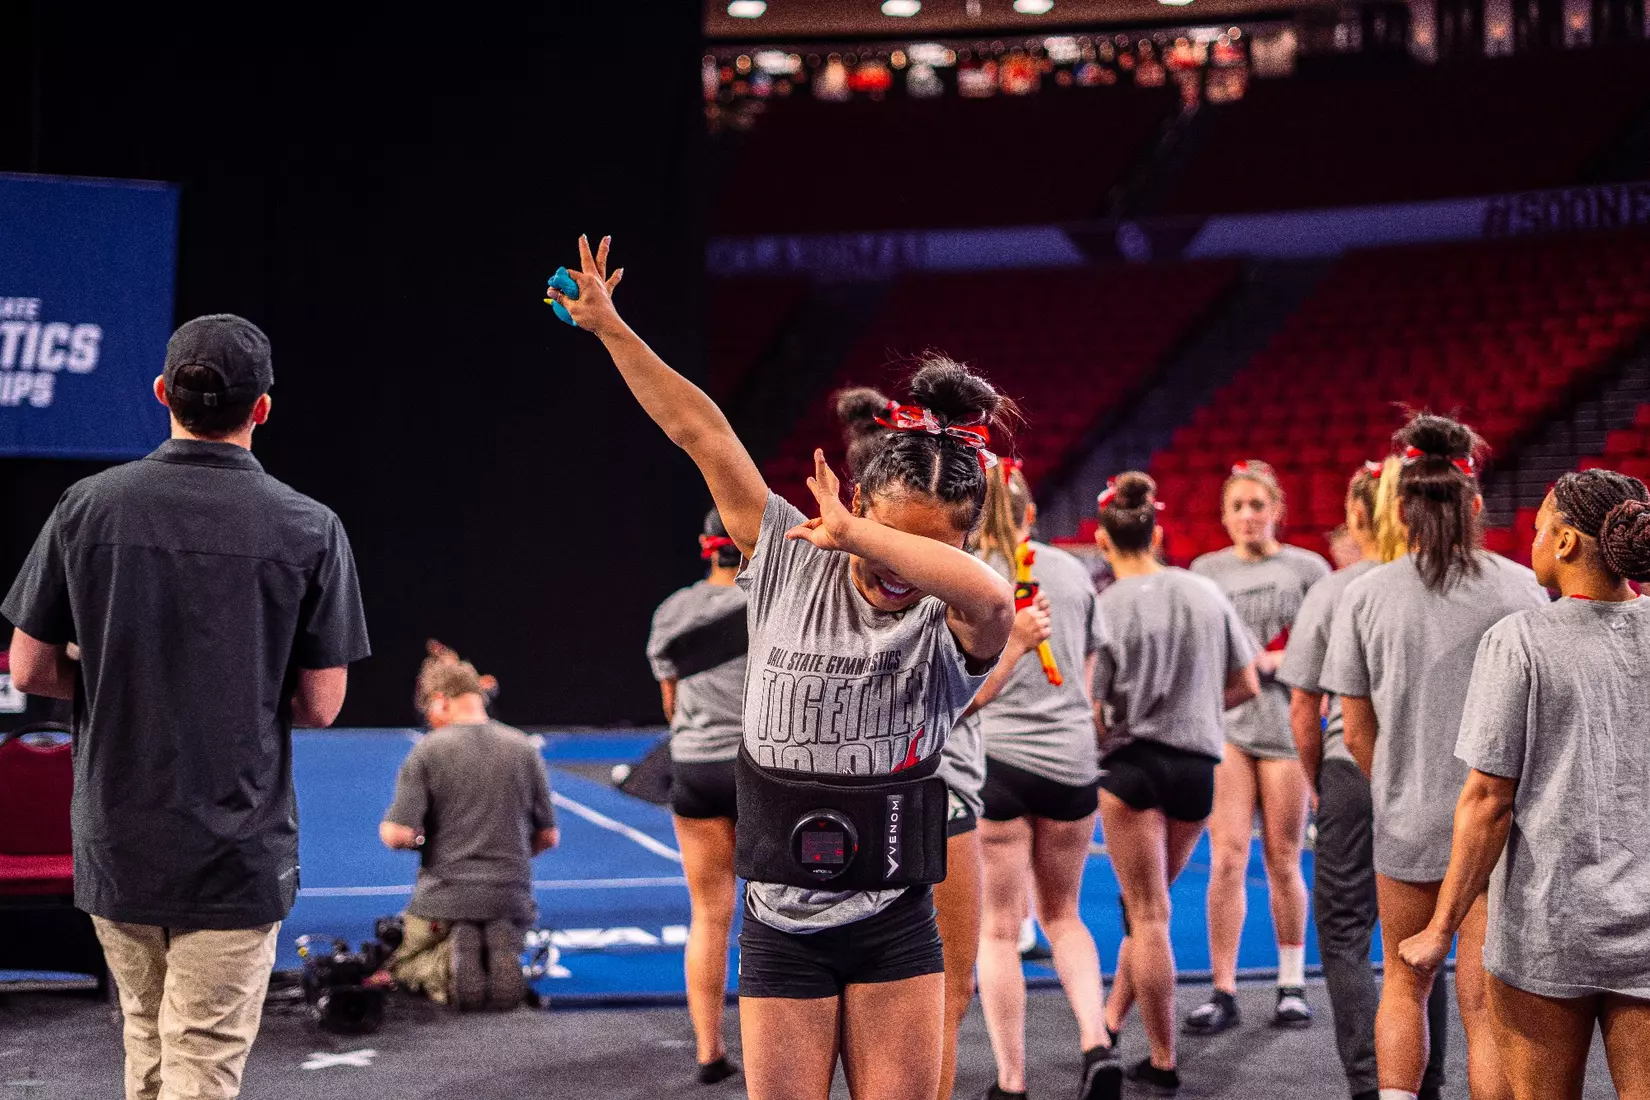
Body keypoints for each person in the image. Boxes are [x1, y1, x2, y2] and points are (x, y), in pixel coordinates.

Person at [545, 236, 1031, 1100]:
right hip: (782, 926)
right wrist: (612, 328)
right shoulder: (783, 554)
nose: (899, 569)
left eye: (931, 548)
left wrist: (863, 534)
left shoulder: (951, 617)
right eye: (889, 533)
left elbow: (996, 603)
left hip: (892, 921)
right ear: (857, 494)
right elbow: (700, 429)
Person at [2, 314, 370, 1100]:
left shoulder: (86, 508)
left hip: (117, 842)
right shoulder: (310, 527)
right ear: (263, 407)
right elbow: (322, 704)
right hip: (234, 854)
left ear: (164, 393)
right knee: (200, 1067)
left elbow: (30, 667)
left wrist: (112, 676)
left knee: (148, 1048)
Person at [1398, 469, 1650, 1100]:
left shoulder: (1520, 641)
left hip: (1550, 927)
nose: (1531, 543)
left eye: (1539, 531)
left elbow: (1488, 802)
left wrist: (1440, 929)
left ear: (1564, 544)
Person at [1320, 413, 1548, 1100]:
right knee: (1484, 1011)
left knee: (1403, 979)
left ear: (1400, 508)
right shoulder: (1521, 589)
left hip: (1409, 818)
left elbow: (1354, 731)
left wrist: (1397, 781)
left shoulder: (1362, 594)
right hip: (1497, 828)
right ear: (1475, 504)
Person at [836, 391, 1051, 1100]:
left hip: (904, 793)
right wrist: (1015, 645)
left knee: (906, 1007)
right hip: (932, 792)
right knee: (937, 1002)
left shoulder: (941, 577)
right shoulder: (955, 584)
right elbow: (956, 705)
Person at [1277, 461, 1449, 1100]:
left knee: (1346, 932)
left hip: (1353, 769)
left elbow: (1303, 705)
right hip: (1432, 780)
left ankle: (1369, 1082)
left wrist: (1318, 781)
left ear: (1357, 515)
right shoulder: (1441, 585)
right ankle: (1423, 1082)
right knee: (1423, 944)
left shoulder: (1337, 589)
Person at [1090, 472, 1259, 1096]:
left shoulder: (1104, 606)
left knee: (1148, 914)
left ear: (1105, 543)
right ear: (1156, 533)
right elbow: (1247, 684)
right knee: (1149, 908)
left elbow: (1091, 708)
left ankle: (1162, 1060)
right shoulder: (1204, 591)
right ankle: (1109, 1021)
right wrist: (1197, 711)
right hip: (1195, 769)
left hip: (1132, 765)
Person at [967, 461, 1120, 1100]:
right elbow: (1089, 679)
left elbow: (961, 692)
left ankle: (1012, 1079)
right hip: (1070, 763)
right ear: (1031, 512)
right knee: (1064, 916)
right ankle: (1095, 1040)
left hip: (998, 764)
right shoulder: (1074, 573)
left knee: (1000, 929)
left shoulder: (964, 576)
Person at [1185, 459, 1329, 1033]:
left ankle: (1291, 983)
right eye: (1237, 506)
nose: (1248, 515)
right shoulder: (1204, 571)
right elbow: (1197, 652)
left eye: (1257, 505)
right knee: (1226, 859)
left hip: (1287, 728)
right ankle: (1222, 989)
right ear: (1224, 515)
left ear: (1277, 511)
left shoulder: (1307, 568)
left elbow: (1329, 648)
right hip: (1228, 729)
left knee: (1284, 859)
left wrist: (1277, 663)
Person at [379, 642, 557, 1011]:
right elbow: (548, 836)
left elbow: (398, 834)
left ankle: (446, 966)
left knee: (401, 964)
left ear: (441, 701)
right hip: (511, 897)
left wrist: (421, 840)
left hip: (443, 899)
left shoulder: (428, 751)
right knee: (501, 921)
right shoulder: (524, 748)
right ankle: (497, 949)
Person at [646, 509, 748, 1084]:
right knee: (773, 916)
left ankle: (710, 1051)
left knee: (710, 915)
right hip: (761, 770)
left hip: (697, 768)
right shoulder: (773, 605)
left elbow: (671, 705)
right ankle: (774, 1048)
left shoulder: (673, 611)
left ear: (707, 548)